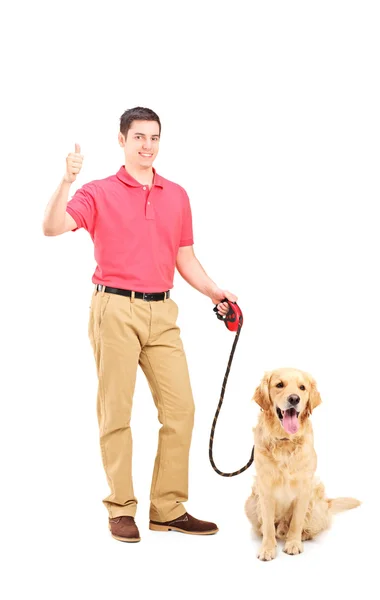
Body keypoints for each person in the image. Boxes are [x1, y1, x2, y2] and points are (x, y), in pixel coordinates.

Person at [42, 106, 238, 543]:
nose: (147, 146)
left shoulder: (177, 195)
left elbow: (183, 255)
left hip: (163, 312)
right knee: (117, 411)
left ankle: (167, 508)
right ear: (121, 140)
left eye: (154, 138)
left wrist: (215, 292)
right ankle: (121, 508)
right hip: (114, 309)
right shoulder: (97, 192)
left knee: (181, 410)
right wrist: (66, 181)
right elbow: (52, 227)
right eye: (139, 137)